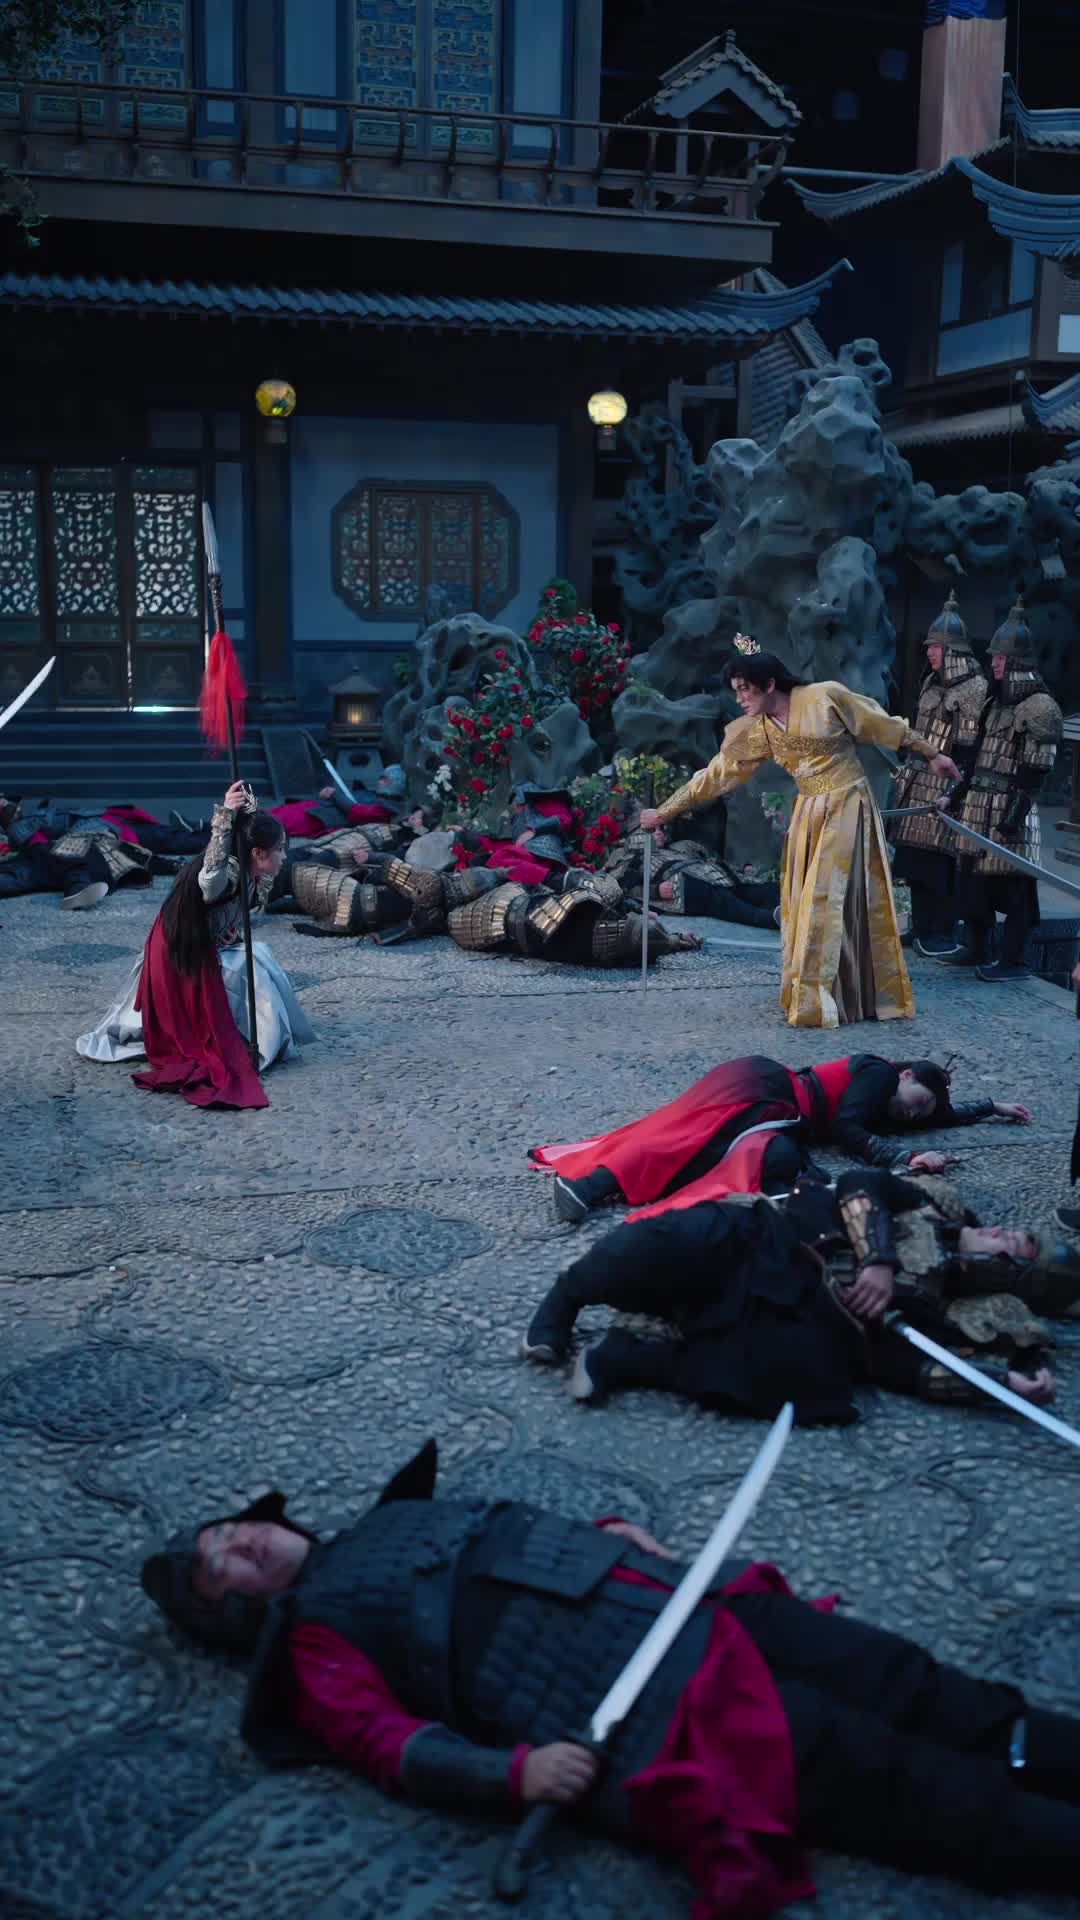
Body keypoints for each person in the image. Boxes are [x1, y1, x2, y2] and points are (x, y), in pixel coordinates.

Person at [141, 1440, 1080, 1917]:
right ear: (238, 1614)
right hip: (663, 1706)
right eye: (225, 1564)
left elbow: (510, 1546)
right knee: (898, 1779)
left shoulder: (389, 1520)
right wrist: (515, 1775)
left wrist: (610, 1540)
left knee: (909, 1679)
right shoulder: (313, 1646)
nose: (243, 1540)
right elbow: (387, 1744)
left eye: (233, 1528)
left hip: (686, 1601)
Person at [521, 1162, 1080, 1424]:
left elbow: (912, 1369)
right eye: (1014, 1233)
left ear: (1004, 1276)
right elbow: (860, 1181)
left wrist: (1006, 1386)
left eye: (1013, 1249)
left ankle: (625, 1359)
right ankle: (564, 1300)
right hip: (768, 1241)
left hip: (800, 1313)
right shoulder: (933, 1204)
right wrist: (878, 1259)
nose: (1002, 1234)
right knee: (670, 1239)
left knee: (793, 1380)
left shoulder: (937, 1310)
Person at [638, 637, 960, 1028]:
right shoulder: (757, 731)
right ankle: (839, 996)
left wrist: (932, 754)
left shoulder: (825, 698)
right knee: (806, 901)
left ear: (770, 683)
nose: (739, 698)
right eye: (736, 690)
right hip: (808, 813)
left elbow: (880, 725)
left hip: (848, 804)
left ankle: (818, 1000)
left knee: (824, 899)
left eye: (745, 688)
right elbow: (716, 775)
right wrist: (666, 811)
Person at [531, 1051, 1031, 1225]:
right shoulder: (879, 1074)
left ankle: (595, 1185)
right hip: (766, 1091)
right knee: (689, 1143)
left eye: (922, 1112)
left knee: (721, 1156)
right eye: (919, 1099)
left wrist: (992, 1107)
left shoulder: (898, 1101)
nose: (915, 1112)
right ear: (905, 1075)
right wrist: (905, 1155)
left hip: (777, 1111)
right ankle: (589, 1185)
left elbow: (942, 1116)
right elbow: (847, 1128)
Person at [76, 783, 312, 1109]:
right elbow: (209, 879)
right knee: (254, 963)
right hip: (179, 953)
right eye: (280, 849)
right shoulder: (228, 871)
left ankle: (261, 1036)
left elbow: (230, 913)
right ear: (259, 853)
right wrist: (225, 819)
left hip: (206, 942)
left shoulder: (251, 873)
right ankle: (257, 1042)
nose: (284, 856)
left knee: (257, 953)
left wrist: (228, 932)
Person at [936, 600, 1063, 982]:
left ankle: (1014, 960)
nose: (993, 663)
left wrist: (1010, 821)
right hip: (978, 807)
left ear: (1017, 663)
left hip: (1013, 811)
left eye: (1000, 658)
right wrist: (954, 795)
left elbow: (1034, 775)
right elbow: (975, 760)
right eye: (993, 657)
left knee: (1016, 890)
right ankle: (976, 946)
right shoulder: (993, 704)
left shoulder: (1041, 708)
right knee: (973, 883)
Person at [889, 592, 987, 958]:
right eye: (929, 646)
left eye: (935, 647)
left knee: (939, 865)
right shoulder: (931, 682)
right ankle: (921, 926)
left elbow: (969, 748)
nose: (929, 652)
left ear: (952, 651)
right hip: (917, 781)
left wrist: (956, 790)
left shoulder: (974, 689)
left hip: (947, 783)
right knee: (914, 861)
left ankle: (941, 930)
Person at [0, 794, 191, 910]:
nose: (6, 804)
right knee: (40, 868)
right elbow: (36, 843)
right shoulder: (23, 827)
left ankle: (79, 887)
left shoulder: (33, 821)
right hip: (71, 848)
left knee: (87, 854)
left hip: (103, 837)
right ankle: (78, 887)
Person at [602, 822, 780, 930]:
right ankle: (770, 919)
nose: (659, 832)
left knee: (759, 890)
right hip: (687, 889)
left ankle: (788, 906)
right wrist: (656, 890)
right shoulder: (631, 858)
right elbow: (622, 890)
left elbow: (712, 862)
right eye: (652, 829)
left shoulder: (679, 847)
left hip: (715, 880)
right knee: (727, 903)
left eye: (660, 829)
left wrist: (740, 871)